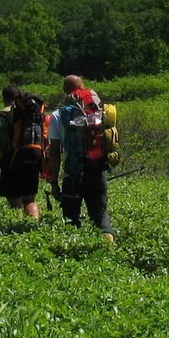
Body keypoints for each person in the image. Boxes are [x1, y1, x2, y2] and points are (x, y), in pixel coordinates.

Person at [49, 74, 115, 241]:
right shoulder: (99, 112)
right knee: (101, 218)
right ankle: (109, 248)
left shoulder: (58, 115)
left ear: (65, 92)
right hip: (97, 169)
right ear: (82, 87)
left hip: (73, 174)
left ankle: (75, 256)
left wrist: (54, 182)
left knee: (71, 220)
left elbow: (54, 152)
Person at [0, 85, 43, 220]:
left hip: (11, 163)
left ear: (4, 98)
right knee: (30, 200)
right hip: (32, 159)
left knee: (15, 202)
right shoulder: (29, 113)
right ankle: (36, 226)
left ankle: (18, 230)